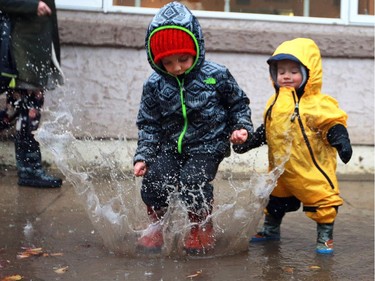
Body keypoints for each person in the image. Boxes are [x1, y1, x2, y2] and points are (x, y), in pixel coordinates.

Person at [133, 2, 254, 255]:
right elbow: (149, 123)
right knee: (155, 181)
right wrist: (143, 155)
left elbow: (238, 103)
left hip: (208, 144)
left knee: (193, 180)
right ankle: (156, 224)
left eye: (183, 59)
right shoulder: (154, 84)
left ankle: (200, 225)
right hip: (170, 145)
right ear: (156, 60)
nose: (177, 67)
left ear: (196, 48)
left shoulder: (216, 75)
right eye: (168, 62)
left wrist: (241, 127)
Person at [233, 38, 352, 254]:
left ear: (309, 73)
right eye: (281, 71)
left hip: (311, 169)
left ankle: (325, 236)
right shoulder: (275, 102)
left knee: (323, 200)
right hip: (281, 170)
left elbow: (332, 123)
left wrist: (341, 140)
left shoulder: (318, 104)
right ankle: (271, 230)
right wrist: (248, 142)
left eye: (294, 71)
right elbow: (268, 130)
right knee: (275, 200)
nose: (286, 76)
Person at [0, 0, 64, 188]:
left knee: (14, 111)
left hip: (33, 51)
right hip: (22, 52)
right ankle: (29, 169)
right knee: (29, 111)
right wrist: (32, 5)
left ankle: (30, 168)